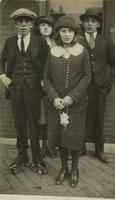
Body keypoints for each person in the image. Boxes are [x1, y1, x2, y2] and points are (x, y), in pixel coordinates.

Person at [43, 15, 91, 187]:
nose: (67, 34)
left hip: (76, 104)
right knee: (61, 139)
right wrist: (54, 97)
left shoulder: (82, 51)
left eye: (70, 31)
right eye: (63, 31)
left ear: (75, 33)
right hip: (56, 104)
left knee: (74, 139)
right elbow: (46, 78)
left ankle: (75, 169)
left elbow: (87, 77)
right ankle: (63, 168)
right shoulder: (52, 52)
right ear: (59, 34)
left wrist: (72, 96)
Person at [0, 8, 48, 174]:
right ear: (15, 24)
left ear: (32, 24)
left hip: (33, 89)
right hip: (15, 89)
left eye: (27, 21)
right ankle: (22, 156)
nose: (23, 25)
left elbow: (48, 63)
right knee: (19, 123)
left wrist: (43, 80)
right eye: (20, 21)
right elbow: (1, 60)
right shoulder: (10, 42)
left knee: (33, 124)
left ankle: (37, 158)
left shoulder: (40, 41)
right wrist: (2, 76)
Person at [79, 8, 115, 163]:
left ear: (98, 24)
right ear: (82, 23)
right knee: (80, 117)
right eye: (87, 21)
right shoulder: (77, 40)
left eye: (93, 21)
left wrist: (107, 83)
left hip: (100, 88)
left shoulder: (106, 42)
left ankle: (99, 151)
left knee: (99, 119)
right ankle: (80, 149)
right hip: (82, 88)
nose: (90, 24)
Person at [35, 15, 57, 158]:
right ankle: (42, 147)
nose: (45, 28)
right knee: (41, 116)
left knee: (53, 115)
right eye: (42, 25)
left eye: (48, 25)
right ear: (38, 27)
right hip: (38, 85)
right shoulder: (34, 42)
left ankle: (51, 146)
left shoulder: (57, 43)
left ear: (52, 28)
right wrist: (40, 80)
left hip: (54, 85)